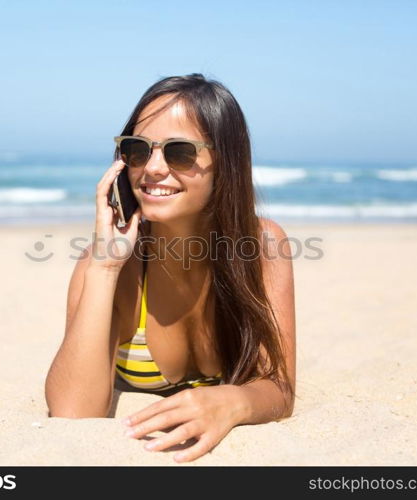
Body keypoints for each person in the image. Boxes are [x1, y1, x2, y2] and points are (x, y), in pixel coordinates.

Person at [44, 73, 296, 463]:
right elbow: (73, 412)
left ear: (225, 163)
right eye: (138, 150)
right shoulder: (110, 261)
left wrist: (232, 402)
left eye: (179, 152)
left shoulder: (261, 247)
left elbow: (278, 387)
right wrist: (105, 268)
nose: (153, 169)